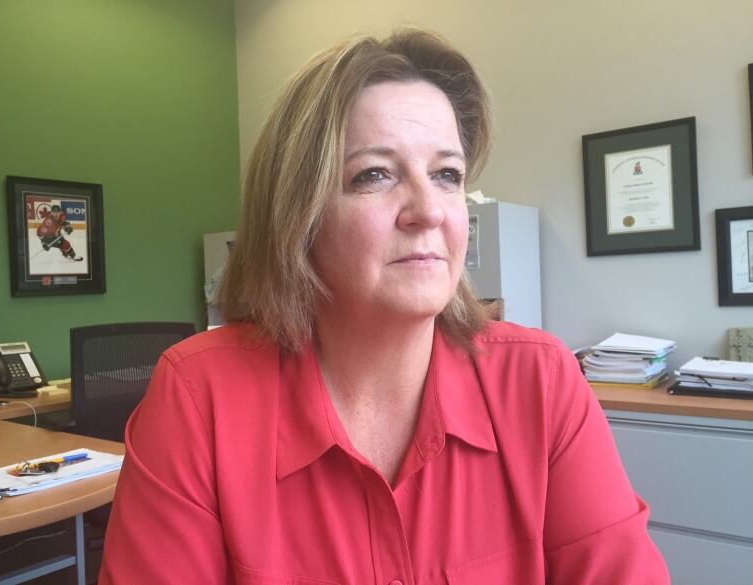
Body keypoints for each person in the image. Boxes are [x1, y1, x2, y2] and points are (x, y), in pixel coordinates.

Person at [99, 29, 669, 584]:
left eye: (447, 175)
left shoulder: (540, 380)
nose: (429, 210)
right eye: (375, 175)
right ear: (300, 214)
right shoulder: (200, 396)